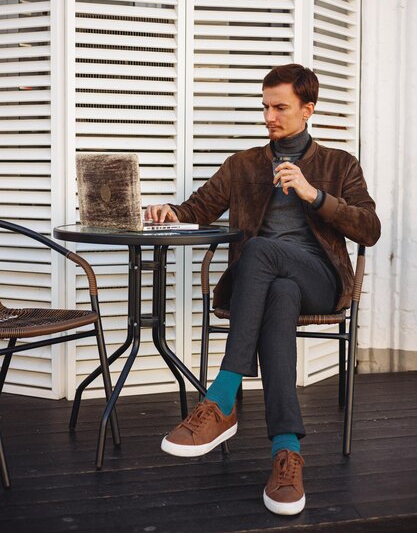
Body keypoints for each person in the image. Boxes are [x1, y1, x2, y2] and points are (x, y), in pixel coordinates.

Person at [145, 64, 381, 516]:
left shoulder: (338, 164)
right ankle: (286, 452)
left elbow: (369, 229)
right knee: (279, 294)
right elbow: (199, 208)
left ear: (307, 110)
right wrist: (169, 210)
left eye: (280, 108)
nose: (270, 117)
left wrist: (314, 195)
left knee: (259, 252)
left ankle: (222, 396)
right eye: (265, 107)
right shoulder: (244, 165)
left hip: (320, 278)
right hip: (272, 288)